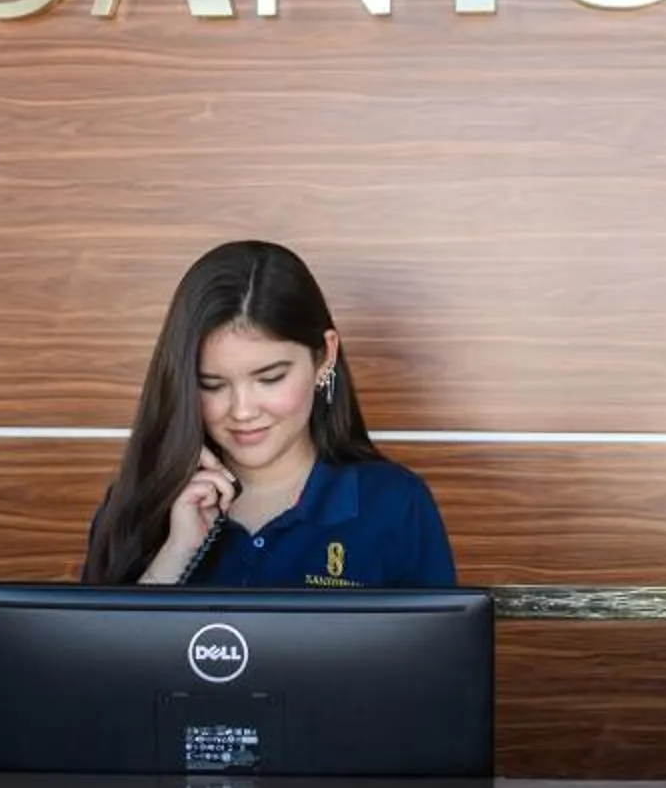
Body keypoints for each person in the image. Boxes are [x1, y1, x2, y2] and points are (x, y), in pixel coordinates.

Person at [81, 239, 457, 588]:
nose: (242, 411)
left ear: (324, 356)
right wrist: (174, 557)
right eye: (212, 384)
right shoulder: (134, 502)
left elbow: (437, 658)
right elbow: (98, 659)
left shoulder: (394, 503)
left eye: (270, 378)